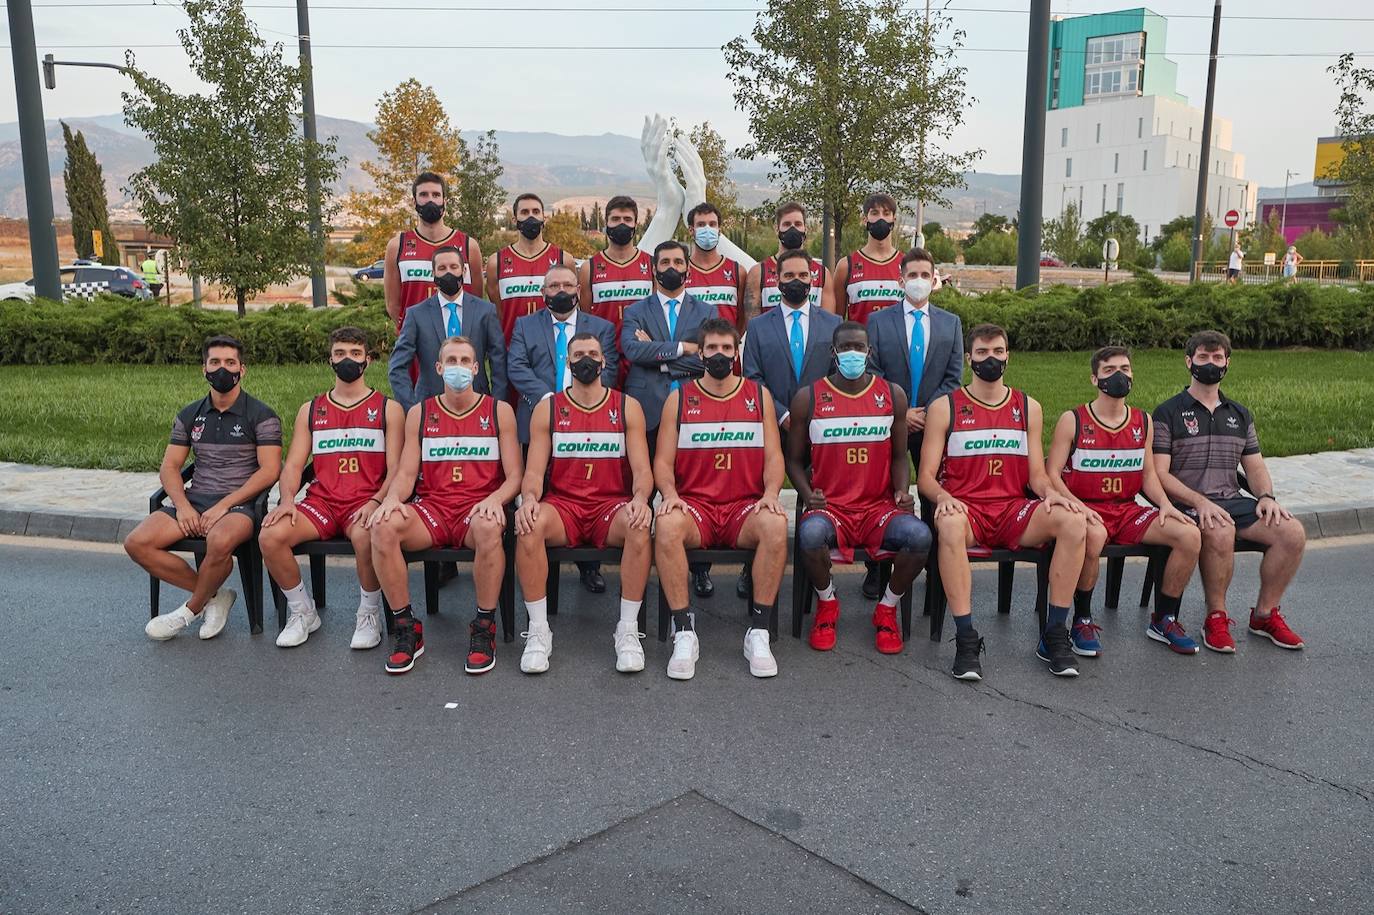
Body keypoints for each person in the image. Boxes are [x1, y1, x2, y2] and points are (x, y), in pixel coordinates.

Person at [918, 324, 1089, 681]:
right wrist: (944, 498)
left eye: (997, 352)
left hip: (1013, 509)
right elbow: (925, 478)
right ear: (969, 359)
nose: (990, 359)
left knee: (1073, 523)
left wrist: (1053, 495)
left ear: (1008, 356)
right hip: (968, 509)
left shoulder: (1029, 406)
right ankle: (966, 639)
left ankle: (1055, 635)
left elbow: (1036, 476)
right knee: (947, 524)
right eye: (982, 353)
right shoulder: (944, 407)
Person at [367, 336, 523, 675]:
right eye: (450, 361)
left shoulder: (499, 411)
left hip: (477, 506)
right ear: (438, 368)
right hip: (433, 509)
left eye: (465, 360)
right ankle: (407, 628)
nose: (458, 367)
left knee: (488, 527)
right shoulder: (420, 412)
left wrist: (495, 499)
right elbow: (407, 472)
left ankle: (484, 627)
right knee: (382, 527)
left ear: (476, 368)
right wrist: (391, 499)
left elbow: (515, 477)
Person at [1151, 330, 1307, 653]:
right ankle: (1216, 618)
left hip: (1231, 499)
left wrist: (1265, 497)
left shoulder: (1239, 414)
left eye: (1217, 358)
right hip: (1186, 503)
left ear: (1227, 363)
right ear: (1188, 361)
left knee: (1291, 532)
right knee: (1220, 531)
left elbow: (1255, 467)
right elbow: (1160, 474)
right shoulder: (1168, 413)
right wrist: (1199, 502)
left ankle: (1265, 614)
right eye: (1204, 357)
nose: (1211, 363)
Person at [653, 318, 789, 679]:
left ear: (736, 354)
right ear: (701, 353)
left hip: (743, 507)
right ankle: (684, 630)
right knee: (666, 524)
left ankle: (758, 632)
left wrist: (771, 493)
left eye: (727, 349)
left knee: (776, 523)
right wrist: (669, 494)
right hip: (695, 507)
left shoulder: (758, 395)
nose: (719, 355)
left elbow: (775, 456)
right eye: (712, 348)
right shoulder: (679, 398)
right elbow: (663, 462)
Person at [785, 321, 931, 655]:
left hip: (877, 509)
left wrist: (900, 491)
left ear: (869, 352)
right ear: (834, 352)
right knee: (808, 536)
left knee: (920, 537)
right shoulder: (808, 398)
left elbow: (898, 456)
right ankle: (827, 603)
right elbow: (793, 460)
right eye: (845, 347)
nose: (853, 353)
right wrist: (808, 495)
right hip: (831, 508)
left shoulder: (891, 394)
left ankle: (887, 607)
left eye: (859, 347)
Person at [1046, 346, 1203, 656]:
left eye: (1125, 369)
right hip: (1088, 507)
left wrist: (1165, 504)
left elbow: (1147, 475)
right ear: (1094, 379)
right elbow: (1051, 474)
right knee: (1094, 534)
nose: (1119, 376)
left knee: (1190, 535)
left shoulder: (1142, 421)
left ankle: (1165, 618)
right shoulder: (1073, 419)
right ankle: (1082, 619)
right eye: (1109, 370)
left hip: (1128, 509)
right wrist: (1076, 505)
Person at [514, 332, 655, 675]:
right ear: (568, 361)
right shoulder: (549, 408)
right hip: (565, 507)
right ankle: (538, 631)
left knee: (639, 524)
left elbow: (642, 471)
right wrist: (529, 499)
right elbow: (533, 471)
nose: (586, 360)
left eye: (592, 353)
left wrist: (640, 499)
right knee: (529, 525)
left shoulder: (626, 406)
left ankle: (627, 630)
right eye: (578, 355)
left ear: (604, 360)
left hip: (611, 506)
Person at [258, 327, 406, 650]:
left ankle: (369, 614)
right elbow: (295, 464)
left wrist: (378, 501)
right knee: (270, 535)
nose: (347, 360)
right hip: (322, 504)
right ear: (330, 359)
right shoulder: (311, 409)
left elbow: (396, 468)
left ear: (368, 360)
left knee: (366, 535)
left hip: (364, 501)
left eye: (355, 354)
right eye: (340, 354)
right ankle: (302, 611)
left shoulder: (388, 409)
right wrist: (286, 500)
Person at [127, 335, 282, 640]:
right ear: (204, 369)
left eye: (230, 363)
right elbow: (170, 467)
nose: (222, 369)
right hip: (196, 499)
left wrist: (224, 505)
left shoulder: (262, 415)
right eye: (215, 362)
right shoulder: (189, 415)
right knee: (136, 542)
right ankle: (215, 597)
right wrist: (182, 506)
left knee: (220, 540)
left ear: (242, 369)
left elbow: (270, 471)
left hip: (240, 504)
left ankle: (186, 612)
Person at [508, 264, 619, 594]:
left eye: (567, 285)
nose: (560, 291)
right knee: (540, 493)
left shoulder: (601, 327)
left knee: (587, 490)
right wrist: (549, 403)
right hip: (537, 419)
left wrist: (577, 404)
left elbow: (608, 371)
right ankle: (538, 569)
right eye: (553, 285)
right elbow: (516, 366)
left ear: (578, 290)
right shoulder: (525, 326)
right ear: (543, 293)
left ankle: (589, 566)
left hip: (589, 425)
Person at [864, 246, 964, 599]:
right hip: (891, 421)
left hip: (932, 425)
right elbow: (871, 371)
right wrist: (901, 412)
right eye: (913, 275)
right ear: (900, 279)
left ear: (934, 279)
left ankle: (935, 567)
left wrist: (928, 413)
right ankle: (877, 570)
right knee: (883, 493)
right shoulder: (878, 321)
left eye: (925, 275)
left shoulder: (951, 324)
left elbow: (954, 377)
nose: (919, 281)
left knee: (932, 495)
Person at [742, 249, 842, 598]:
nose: (796, 281)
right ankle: (748, 566)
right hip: (772, 426)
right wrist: (782, 414)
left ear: (813, 280)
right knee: (754, 496)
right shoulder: (757, 327)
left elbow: (837, 378)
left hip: (820, 432)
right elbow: (752, 379)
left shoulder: (833, 324)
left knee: (822, 499)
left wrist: (818, 419)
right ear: (776, 280)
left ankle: (819, 570)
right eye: (789, 276)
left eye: (803, 275)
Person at [621, 240, 714, 599]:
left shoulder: (706, 310)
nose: (671, 267)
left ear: (689, 268)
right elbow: (632, 350)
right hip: (647, 411)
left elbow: (706, 360)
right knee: (643, 487)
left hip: (693, 410)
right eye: (664, 262)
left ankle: (700, 568)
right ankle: (639, 565)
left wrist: (657, 354)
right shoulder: (635, 310)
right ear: (653, 269)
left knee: (694, 487)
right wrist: (683, 348)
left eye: (678, 261)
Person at [389, 245, 506, 412]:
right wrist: (412, 408)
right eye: (442, 268)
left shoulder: (485, 311)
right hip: (429, 406)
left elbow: (499, 362)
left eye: (454, 267)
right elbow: (397, 366)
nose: (449, 273)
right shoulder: (416, 314)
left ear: (464, 271)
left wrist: (496, 406)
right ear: (433, 274)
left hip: (479, 404)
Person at [383, 171, 483, 332]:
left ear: (445, 201)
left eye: (436, 195)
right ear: (414, 201)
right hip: (415, 345)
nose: (430, 200)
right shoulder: (397, 246)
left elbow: (476, 301)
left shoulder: (469, 246)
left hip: (460, 346)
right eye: (424, 194)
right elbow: (392, 305)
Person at [580, 195, 653, 388]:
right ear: (606, 223)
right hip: (605, 357)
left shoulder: (651, 264)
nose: (622, 224)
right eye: (616, 219)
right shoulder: (590, 267)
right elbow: (586, 316)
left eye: (627, 219)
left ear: (636, 224)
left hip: (641, 356)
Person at [486, 192, 577, 344]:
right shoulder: (496, 262)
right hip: (513, 349)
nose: (531, 217)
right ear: (514, 219)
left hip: (554, 348)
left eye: (536, 212)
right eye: (524, 212)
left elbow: (572, 309)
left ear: (544, 218)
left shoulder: (564, 259)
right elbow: (499, 312)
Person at [743, 201, 834, 320]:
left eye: (798, 224)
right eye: (787, 224)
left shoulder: (822, 274)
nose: (793, 229)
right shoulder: (758, 273)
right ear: (777, 229)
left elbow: (828, 323)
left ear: (805, 229)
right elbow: (752, 326)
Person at [831, 193, 904, 326]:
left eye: (886, 213)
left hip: (897, 346)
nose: (881, 218)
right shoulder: (846, 266)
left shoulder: (907, 264)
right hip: (859, 345)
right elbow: (836, 322)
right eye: (875, 213)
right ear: (865, 219)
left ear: (894, 219)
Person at [682, 203, 745, 331]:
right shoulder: (681, 271)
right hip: (690, 349)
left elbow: (742, 317)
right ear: (691, 230)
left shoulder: (738, 271)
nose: (707, 229)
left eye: (712, 224)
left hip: (725, 349)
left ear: (719, 230)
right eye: (701, 225)